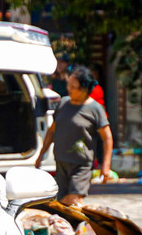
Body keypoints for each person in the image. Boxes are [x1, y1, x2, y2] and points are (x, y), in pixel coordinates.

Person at [37, 65, 115, 205]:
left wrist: (106, 166)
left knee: (73, 200)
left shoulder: (95, 109)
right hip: (61, 162)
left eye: (73, 86)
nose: (69, 89)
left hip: (81, 165)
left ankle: (51, 208)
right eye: (69, 85)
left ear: (84, 89)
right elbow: (52, 130)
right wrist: (41, 153)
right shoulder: (63, 103)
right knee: (66, 203)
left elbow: (107, 138)